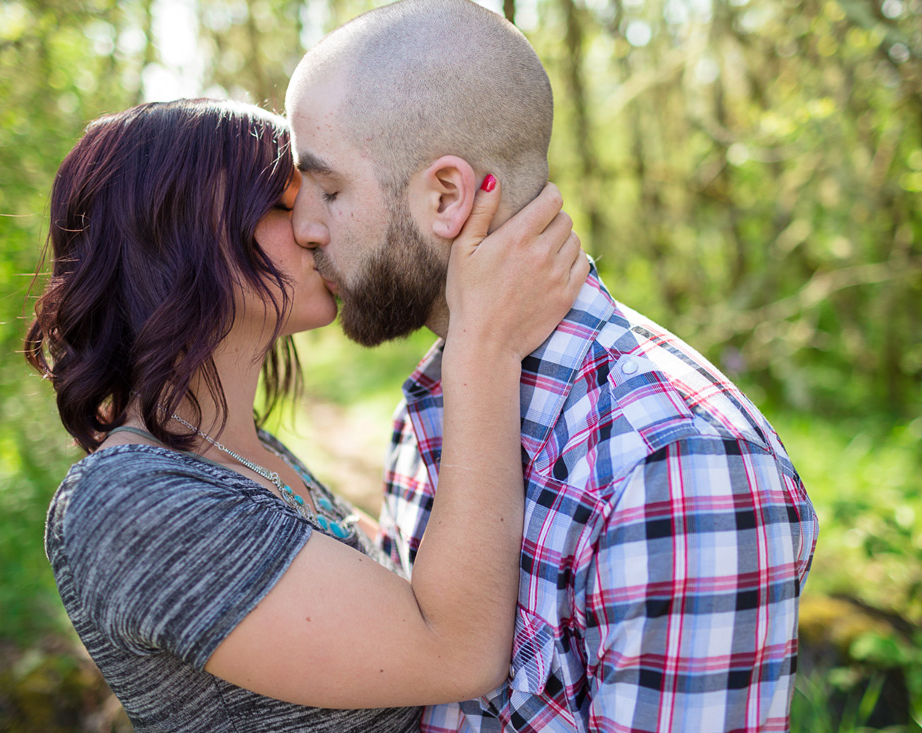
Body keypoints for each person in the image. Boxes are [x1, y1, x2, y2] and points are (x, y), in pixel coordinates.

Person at [284, 1, 820, 731]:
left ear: (446, 196)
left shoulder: (675, 462)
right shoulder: (434, 407)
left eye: (332, 190)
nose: (306, 229)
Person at [24, 97, 588, 731]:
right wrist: (485, 343)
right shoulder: (131, 501)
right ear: (174, 235)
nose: (318, 227)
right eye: (286, 203)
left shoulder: (243, 452)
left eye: (326, 196)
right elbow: (458, 651)